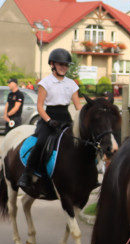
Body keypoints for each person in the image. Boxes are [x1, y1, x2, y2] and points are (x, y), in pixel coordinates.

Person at [16, 48, 82, 189]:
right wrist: (49, 121)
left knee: (79, 142)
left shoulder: (71, 84)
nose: (64, 68)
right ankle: (27, 174)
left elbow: (78, 107)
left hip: (65, 118)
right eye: (60, 64)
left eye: (66, 65)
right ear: (52, 64)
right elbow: (39, 106)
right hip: (49, 118)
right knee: (41, 143)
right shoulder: (45, 83)